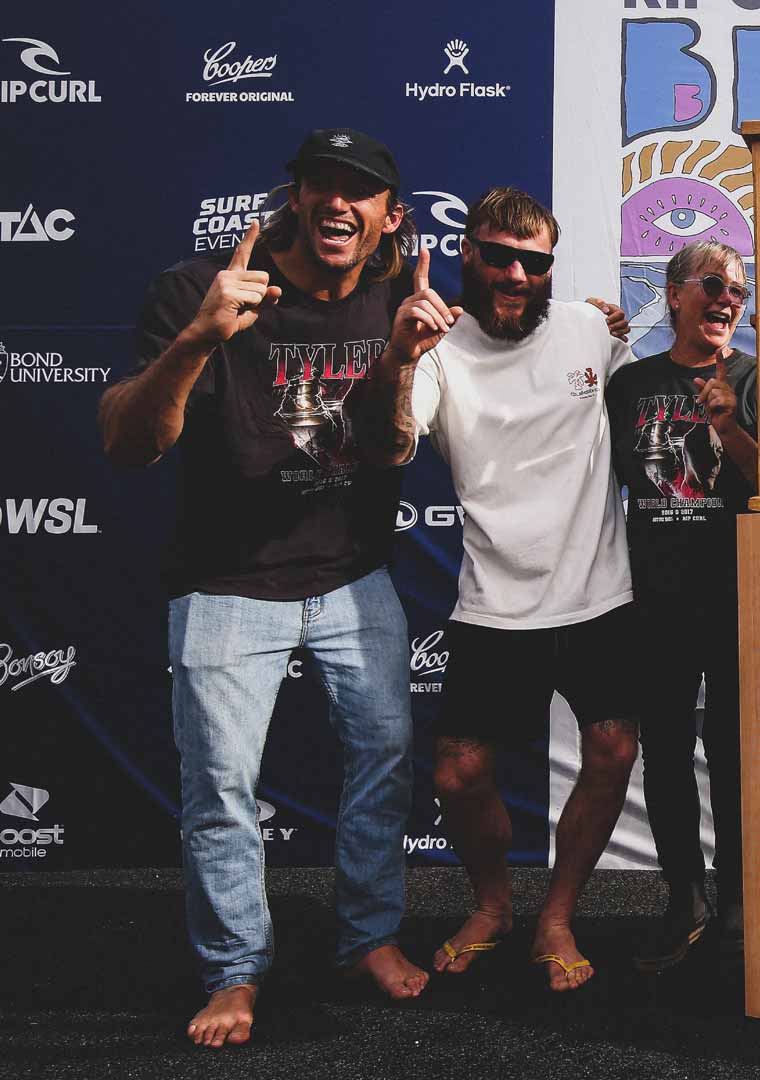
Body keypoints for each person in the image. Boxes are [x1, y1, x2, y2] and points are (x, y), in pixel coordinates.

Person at [99, 128, 431, 1048]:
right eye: (320, 185)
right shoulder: (198, 290)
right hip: (225, 583)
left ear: (388, 218)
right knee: (219, 790)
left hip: (354, 578)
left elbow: (391, 445)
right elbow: (129, 441)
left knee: (384, 766)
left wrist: (600, 320)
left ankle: (368, 936)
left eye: (359, 191)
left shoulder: (398, 299)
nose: (337, 203)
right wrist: (201, 340)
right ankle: (235, 970)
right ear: (293, 200)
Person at [368, 187, 640, 993]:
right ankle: (494, 905)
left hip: (600, 593)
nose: (516, 275)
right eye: (499, 256)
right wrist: (401, 357)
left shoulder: (592, 328)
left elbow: (649, 401)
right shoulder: (437, 349)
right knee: (456, 773)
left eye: (534, 261)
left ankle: (556, 915)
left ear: (552, 266)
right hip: (494, 600)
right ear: (468, 256)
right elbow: (389, 446)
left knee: (615, 749)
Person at [603, 238, 759, 969]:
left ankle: (737, 902)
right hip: (655, 602)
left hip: (738, 600)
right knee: (664, 753)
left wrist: (729, 425)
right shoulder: (630, 384)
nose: (728, 297)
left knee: (733, 755)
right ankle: (683, 896)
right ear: (672, 294)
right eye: (712, 284)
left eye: (738, 288)